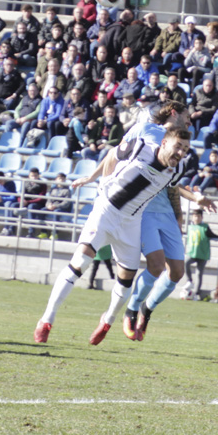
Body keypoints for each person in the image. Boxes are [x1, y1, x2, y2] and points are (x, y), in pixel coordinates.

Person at [33, 127, 215, 343]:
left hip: (131, 223)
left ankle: (107, 320)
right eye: (178, 147)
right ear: (164, 143)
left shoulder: (178, 168)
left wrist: (196, 198)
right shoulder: (140, 147)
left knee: (126, 279)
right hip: (106, 212)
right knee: (80, 262)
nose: (181, 153)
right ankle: (46, 320)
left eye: (185, 149)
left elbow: (173, 186)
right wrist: (97, 180)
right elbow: (112, 154)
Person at [83, 101, 193, 344]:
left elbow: (171, 183)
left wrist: (178, 215)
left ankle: (146, 311)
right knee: (155, 265)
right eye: (187, 116)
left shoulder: (181, 146)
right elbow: (116, 154)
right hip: (140, 210)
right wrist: (103, 186)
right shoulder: (144, 129)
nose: (190, 121)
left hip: (166, 213)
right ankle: (130, 310)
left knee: (176, 271)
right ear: (174, 112)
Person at [182, 208, 218, 300]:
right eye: (195, 216)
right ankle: (189, 281)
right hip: (192, 252)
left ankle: (196, 293)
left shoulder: (205, 227)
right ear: (192, 217)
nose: (197, 218)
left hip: (202, 253)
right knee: (185, 263)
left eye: (199, 216)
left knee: (199, 274)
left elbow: (213, 235)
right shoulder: (190, 227)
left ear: (202, 217)